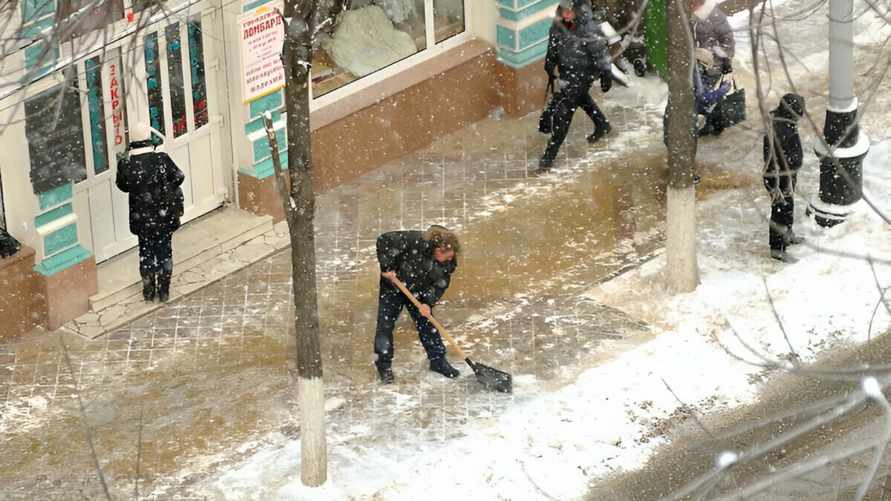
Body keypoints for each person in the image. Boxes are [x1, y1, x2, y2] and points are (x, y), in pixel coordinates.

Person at [374, 225, 461, 384]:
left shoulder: (449, 261)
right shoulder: (414, 241)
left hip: (419, 291)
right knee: (385, 324)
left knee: (427, 322)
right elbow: (383, 240)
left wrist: (428, 302)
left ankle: (438, 361)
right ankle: (384, 365)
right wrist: (387, 267)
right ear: (437, 249)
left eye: (451, 257)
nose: (449, 260)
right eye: (447, 257)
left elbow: (441, 283)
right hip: (394, 286)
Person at [538, 0, 613, 173]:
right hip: (566, 72)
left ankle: (548, 158)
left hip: (583, 73)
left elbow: (601, 53)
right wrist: (549, 63)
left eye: (569, 11)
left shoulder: (588, 28)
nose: (566, 15)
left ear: (577, 11)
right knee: (579, 98)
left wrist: (605, 74)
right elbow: (553, 44)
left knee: (564, 112)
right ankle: (602, 125)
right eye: (564, 11)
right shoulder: (558, 24)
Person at [116, 123, 185, 302]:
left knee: (146, 252)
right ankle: (164, 290)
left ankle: (148, 289)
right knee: (165, 251)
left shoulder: (128, 164)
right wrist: (165, 190)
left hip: (142, 219)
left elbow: (122, 186)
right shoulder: (161, 159)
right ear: (148, 138)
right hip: (163, 217)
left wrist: (121, 165)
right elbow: (179, 176)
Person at [763, 93, 806, 263]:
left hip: (787, 176)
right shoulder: (779, 129)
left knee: (788, 206)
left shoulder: (786, 124)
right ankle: (777, 248)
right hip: (778, 178)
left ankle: (788, 233)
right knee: (779, 211)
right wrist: (774, 185)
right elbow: (771, 159)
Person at [690, 0, 736, 136]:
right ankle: (715, 124)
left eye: (693, 2)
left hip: (710, 63)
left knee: (704, 97)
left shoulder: (715, 16)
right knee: (703, 96)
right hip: (694, 63)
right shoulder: (686, 16)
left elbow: (728, 41)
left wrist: (722, 58)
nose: (691, 5)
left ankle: (713, 124)